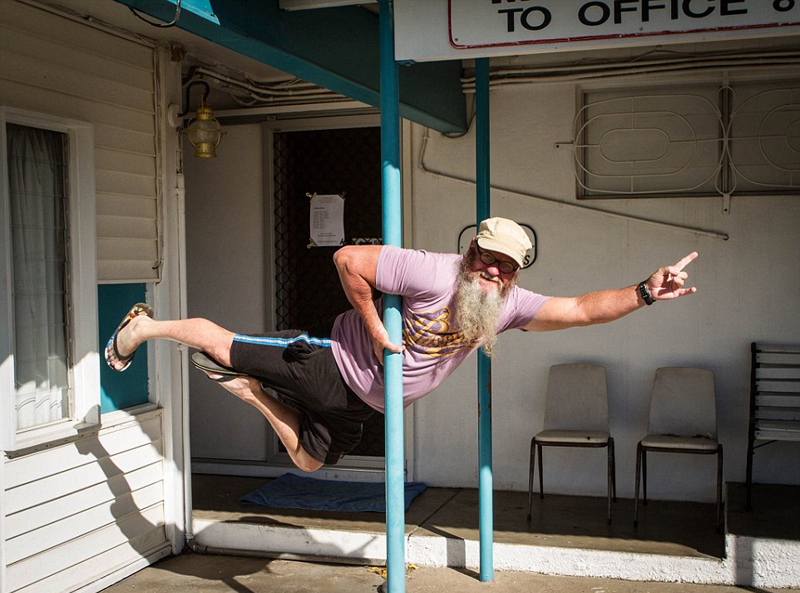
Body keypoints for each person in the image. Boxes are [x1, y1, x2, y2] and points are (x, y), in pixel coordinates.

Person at [105, 217, 698, 473]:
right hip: (329, 364)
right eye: (489, 259)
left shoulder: (508, 305)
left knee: (310, 461)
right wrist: (373, 326)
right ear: (472, 251)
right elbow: (348, 260)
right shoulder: (432, 271)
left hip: (364, 405)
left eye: (507, 267)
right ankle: (142, 329)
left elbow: (581, 309)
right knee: (224, 343)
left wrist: (644, 292)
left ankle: (253, 395)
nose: (495, 272)